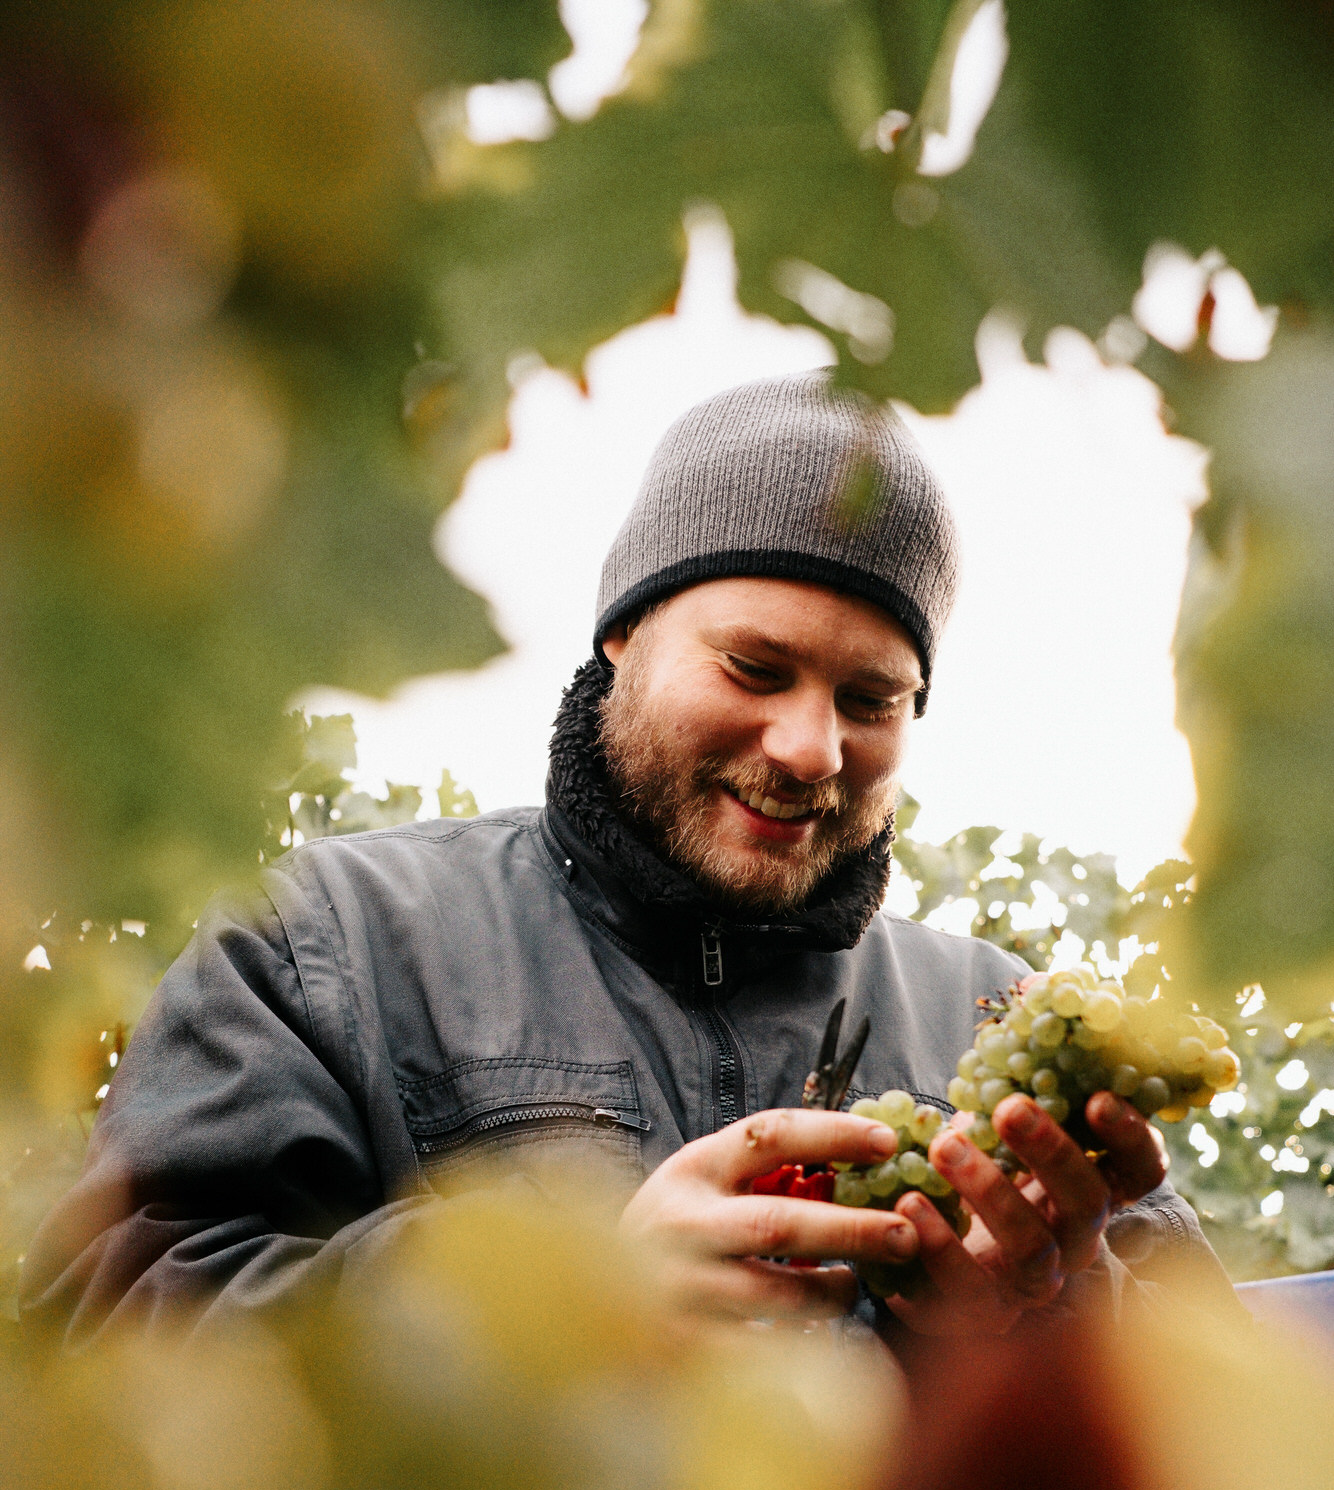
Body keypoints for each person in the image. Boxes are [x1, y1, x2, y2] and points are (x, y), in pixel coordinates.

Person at [20, 373, 1232, 1348]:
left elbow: (1225, 1470)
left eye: (872, 697)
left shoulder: (997, 1021)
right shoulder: (324, 938)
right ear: (622, 638)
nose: (810, 747)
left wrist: (1037, 1329)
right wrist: (549, 1300)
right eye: (754, 670)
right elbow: (104, 1325)